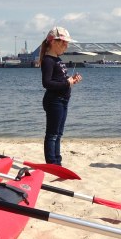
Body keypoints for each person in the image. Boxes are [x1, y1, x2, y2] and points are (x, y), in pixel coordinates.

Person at [37, 26, 82, 165]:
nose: (66, 46)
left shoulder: (58, 60)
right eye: (64, 43)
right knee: (52, 134)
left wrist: (71, 80)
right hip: (54, 101)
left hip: (63, 100)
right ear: (53, 42)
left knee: (59, 133)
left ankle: (57, 161)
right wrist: (66, 84)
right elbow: (47, 83)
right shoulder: (48, 60)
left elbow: (60, 80)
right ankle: (51, 162)